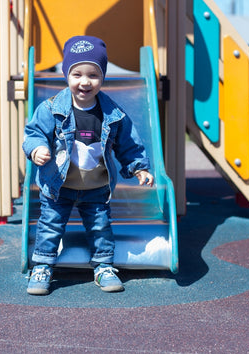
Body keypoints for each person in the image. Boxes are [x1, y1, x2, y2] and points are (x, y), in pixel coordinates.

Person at [22, 35, 154, 295]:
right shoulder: (51, 109)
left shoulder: (114, 114)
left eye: (93, 75)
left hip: (96, 186)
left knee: (100, 226)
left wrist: (139, 167)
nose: (85, 82)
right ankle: (43, 266)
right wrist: (37, 148)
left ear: (102, 77)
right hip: (58, 185)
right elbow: (34, 133)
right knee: (50, 225)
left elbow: (128, 143)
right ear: (66, 76)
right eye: (77, 74)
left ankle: (103, 266)